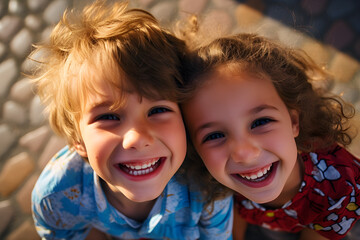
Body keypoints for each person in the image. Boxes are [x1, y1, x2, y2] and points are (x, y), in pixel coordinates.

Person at [30, 1, 233, 239]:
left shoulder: (208, 185)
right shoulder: (57, 195)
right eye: (108, 116)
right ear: (78, 140)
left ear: (185, 121)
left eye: (157, 110)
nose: (137, 137)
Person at [179, 27, 360, 239]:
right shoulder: (213, 179)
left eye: (261, 122)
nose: (244, 153)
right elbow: (232, 214)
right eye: (214, 136)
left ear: (294, 121)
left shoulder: (344, 188)